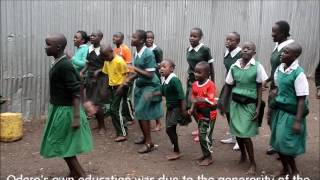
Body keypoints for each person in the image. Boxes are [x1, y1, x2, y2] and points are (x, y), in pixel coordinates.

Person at [40, 33, 93, 179]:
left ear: (57, 47)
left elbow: (76, 90)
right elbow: (79, 80)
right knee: (66, 145)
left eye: (48, 45)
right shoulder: (61, 62)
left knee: (63, 146)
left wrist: (76, 117)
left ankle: (81, 175)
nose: (45, 48)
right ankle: (74, 173)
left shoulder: (64, 65)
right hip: (60, 108)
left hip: (66, 111)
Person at [220, 41, 268, 175]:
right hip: (236, 103)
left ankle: (253, 163)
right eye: (244, 48)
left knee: (246, 135)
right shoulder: (234, 67)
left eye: (249, 48)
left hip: (250, 104)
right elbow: (228, 85)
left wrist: (258, 107)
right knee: (238, 133)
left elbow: (260, 87)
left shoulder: (257, 67)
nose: (246, 50)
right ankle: (243, 156)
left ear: (254, 53)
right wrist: (223, 103)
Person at [117, 29, 163, 153]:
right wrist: (127, 81)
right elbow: (136, 73)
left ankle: (149, 143)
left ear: (141, 40)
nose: (131, 39)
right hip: (141, 85)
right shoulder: (137, 52)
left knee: (142, 111)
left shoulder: (148, 54)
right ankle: (145, 137)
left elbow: (149, 74)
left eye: (134, 37)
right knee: (140, 112)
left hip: (151, 85)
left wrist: (134, 69)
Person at [270, 42, 309, 178]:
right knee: (277, 142)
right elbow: (278, 87)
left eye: (286, 52)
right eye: (282, 51)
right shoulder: (280, 69)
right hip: (280, 111)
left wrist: (298, 121)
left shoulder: (299, 74)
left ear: (295, 56)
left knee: (285, 143)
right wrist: (274, 96)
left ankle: (295, 171)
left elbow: (301, 99)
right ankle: (285, 169)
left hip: (292, 113)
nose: (282, 54)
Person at [149, 59, 191, 160]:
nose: (161, 69)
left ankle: (177, 151)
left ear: (171, 69)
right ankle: (175, 146)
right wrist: (153, 94)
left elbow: (181, 96)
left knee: (170, 129)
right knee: (169, 130)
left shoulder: (174, 80)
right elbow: (163, 92)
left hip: (176, 108)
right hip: (170, 108)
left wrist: (183, 110)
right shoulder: (165, 79)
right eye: (160, 67)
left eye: (164, 67)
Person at [265, 21, 294, 155]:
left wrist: (278, 87)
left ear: (282, 33)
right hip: (274, 87)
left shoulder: (289, 48)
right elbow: (276, 68)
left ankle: (283, 146)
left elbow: (289, 70)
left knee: (279, 118)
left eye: (274, 32)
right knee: (272, 117)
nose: (272, 34)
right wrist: (269, 78)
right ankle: (277, 143)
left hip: (282, 90)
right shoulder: (278, 46)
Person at [186, 27, 215, 142]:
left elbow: (211, 67)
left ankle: (204, 129)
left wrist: (212, 81)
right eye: (191, 35)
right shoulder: (188, 49)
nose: (192, 38)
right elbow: (190, 66)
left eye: (195, 36)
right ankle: (200, 126)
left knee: (202, 106)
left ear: (200, 37)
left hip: (203, 83)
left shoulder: (205, 49)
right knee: (190, 105)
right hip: (192, 81)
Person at [96, 44, 129, 142]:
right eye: (102, 57)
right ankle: (121, 130)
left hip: (120, 87)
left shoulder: (119, 61)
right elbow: (106, 75)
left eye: (105, 56)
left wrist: (122, 87)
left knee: (115, 109)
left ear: (111, 51)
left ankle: (122, 133)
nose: (104, 58)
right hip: (112, 88)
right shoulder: (107, 61)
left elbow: (127, 75)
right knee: (114, 110)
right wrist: (104, 88)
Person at [188, 61, 217, 166]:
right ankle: (206, 154)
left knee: (205, 136)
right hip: (200, 114)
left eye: (199, 73)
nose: (196, 74)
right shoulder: (195, 84)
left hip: (209, 115)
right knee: (202, 135)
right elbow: (194, 98)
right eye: (195, 72)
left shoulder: (210, 85)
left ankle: (209, 157)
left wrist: (199, 100)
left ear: (207, 74)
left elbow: (210, 101)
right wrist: (192, 108)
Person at [80, 30, 107, 134]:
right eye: (91, 36)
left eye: (94, 36)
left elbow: (109, 64)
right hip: (91, 79)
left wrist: (99, 71)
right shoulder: (89, 49)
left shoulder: (104, 49)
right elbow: (87, 64)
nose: (91, 37)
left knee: (97, 103)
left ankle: (102, 127)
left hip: (101, 79)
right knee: (91, 101)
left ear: (100, 38)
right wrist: (82, 72)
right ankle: (99, 124)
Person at [218, 32, 242, 151]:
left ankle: (239, 139)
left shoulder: (241, 54)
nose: (228, 41)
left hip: (237, 87)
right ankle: (233, 137)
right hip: (228, 84)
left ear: (237, 42)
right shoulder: (226, 53)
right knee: (227, 110)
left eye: (231, 40)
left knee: (234, 112)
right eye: (227, 39)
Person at [113, 32, 135, 126]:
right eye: (114, 36)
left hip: (127, 77)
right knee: (122, 97)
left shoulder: (125, 49)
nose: (114, 38)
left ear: (122, 39)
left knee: (126, 98)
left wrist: (128, 79)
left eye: (117, 36)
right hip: (119, 78)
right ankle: (125, 115)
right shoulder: (115, 50)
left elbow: (129, 65)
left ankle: (131, 117)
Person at [145, 30, 164, 132]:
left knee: (155, 101)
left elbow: (160, 65)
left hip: (154, 78)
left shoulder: (157, 50)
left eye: (151, 38)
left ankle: (158, 123)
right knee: (147, 100)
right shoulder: (143, 49)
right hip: (145, 78)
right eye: (147, 37)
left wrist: (150, 67)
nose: (149, 39)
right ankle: (148, 122)